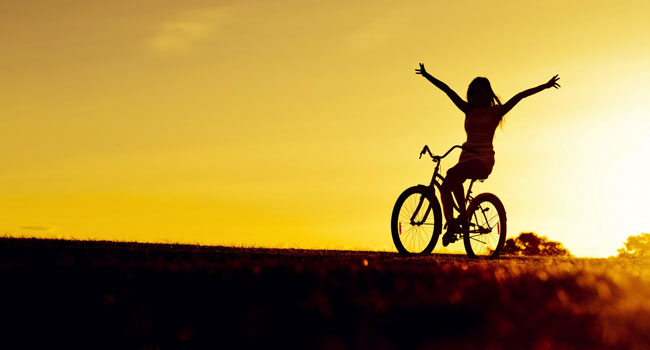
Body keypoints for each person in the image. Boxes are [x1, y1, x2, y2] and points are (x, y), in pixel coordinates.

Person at [415, 63, 560, 246]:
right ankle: (452, 224)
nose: (476, 96)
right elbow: (447, 90)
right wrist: (427, 76)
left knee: (453, 175)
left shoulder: (495, 112)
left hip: (483, 160)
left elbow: (520, 96)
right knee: (445, 186)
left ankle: (463, 218)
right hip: (466, 157)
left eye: (480, 93)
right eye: (473, 93)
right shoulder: (468, 110)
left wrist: (545, 86)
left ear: (487, 94)